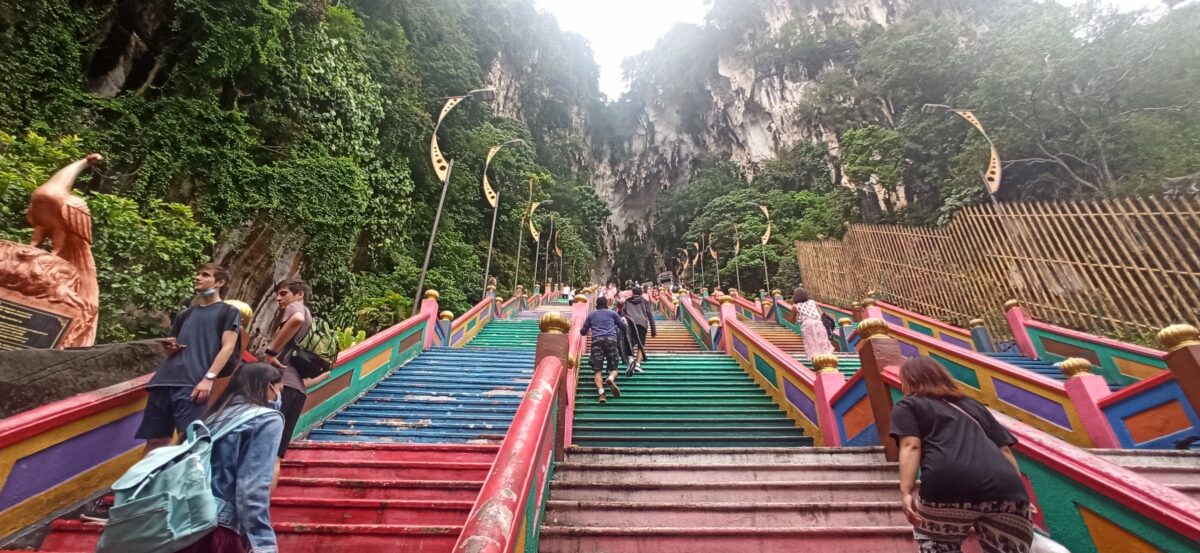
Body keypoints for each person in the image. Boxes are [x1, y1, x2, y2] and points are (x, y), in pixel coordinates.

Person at [890, 356, 1034, 553]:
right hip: (1005, 487)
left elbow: (911, 445)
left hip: (946, 484)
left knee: (936, 545)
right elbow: (1004, 449)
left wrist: (906, 491)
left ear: (909, 380)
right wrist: (1019, 493)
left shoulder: (907, 405)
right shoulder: (973, 405)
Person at [178, 362, 285, 553]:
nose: (279, 396)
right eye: (279, 389)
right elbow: (252, 486)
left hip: (184, 522)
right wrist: (263, 543)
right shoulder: (267, 419)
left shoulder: (213, 417)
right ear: (268, 386)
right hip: (218, 528)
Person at [136, 264, 241, 454]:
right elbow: (174, 346)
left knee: (189, 440)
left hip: (193, 384)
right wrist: (171, 348)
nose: (197, 277)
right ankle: (142, 483)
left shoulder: (228, 312)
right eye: (198, 274)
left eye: (205, 275)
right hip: (164, 381)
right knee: (155, 441)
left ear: (219, 282)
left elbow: (228, 346)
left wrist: (209, 378)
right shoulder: (185, 314)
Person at [262, 279, 323, 466]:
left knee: (263, 446)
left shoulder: (295, 308)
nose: (278, 298)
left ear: (299, 294)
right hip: (298, 390)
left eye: (283, 293)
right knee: (277, 454)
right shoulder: (310, 316)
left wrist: (271, 353)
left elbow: (297, 318)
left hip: (281, 385)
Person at [580, 296, 627, 404]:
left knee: (597, 371)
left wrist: (580, 329)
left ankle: (601, 394)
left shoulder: (591, 315)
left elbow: (583, 332)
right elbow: (623, 327)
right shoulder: (612, 313)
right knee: (614, 368)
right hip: (611, 340)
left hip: (597, 341)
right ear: (606, 304)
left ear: (597, 305)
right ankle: (610, 378)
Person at [792, 288, 834, 359]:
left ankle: (815, 358)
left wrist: (795, 320)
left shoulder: (795, 306)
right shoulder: (813, 302)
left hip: (806, 324)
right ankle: (827, 357)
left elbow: (793, 319)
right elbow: (821, 314)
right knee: (822, 340)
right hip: (818, 322)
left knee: (811, 342)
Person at [622, 286, 657, 365]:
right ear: (641, 293)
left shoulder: (627, 301)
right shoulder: (645, 301)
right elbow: (650, 316)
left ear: (633, 293)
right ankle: (638, 363)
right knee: (641, 343)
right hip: (642, 324)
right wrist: (653, 331)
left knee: (629, 342)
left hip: (630, 323)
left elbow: (623, 314)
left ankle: (630, 359)